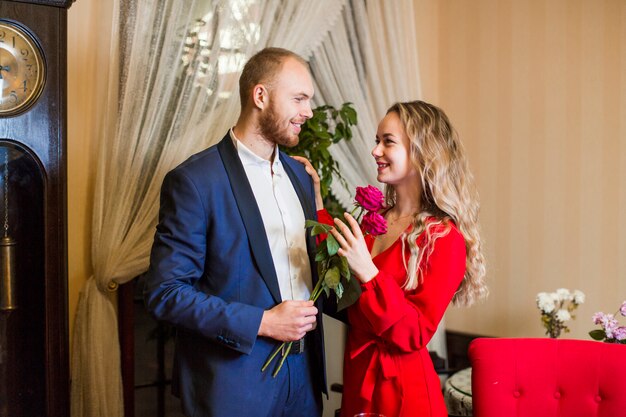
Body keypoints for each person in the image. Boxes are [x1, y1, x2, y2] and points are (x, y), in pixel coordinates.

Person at [143, 47, 328, 417]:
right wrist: (264, 322)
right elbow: (166, 293)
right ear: (260, 96)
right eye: (299, 98)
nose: (308, 111)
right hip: (233, 387)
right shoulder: (194, 181)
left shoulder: (302, 178)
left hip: (304, 381)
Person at [325, 100, 487, 417]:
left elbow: (415, 333)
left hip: (401, 392)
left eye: (388, 141)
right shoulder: (375, 221)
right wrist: (315, 202)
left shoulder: (444, 238)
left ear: (422, 151)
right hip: (358, 377)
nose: (375, 151)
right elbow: (343, 296)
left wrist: (369, 274)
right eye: (377, 141)